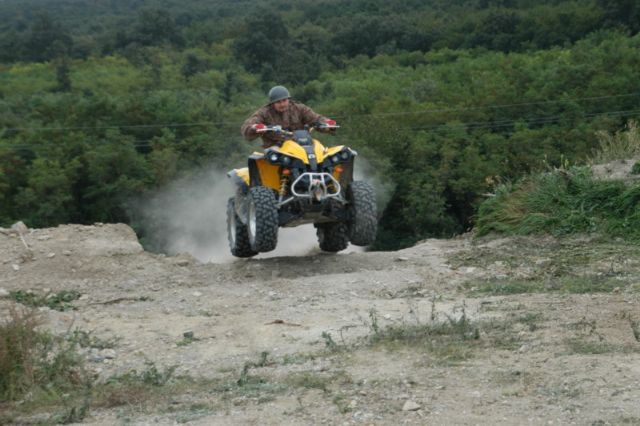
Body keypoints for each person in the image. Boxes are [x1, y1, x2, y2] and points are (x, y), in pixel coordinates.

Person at [241, 85, 334, 148]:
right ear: (272, 103)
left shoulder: (299, 108)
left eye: (284, 100)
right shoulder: (264, 113)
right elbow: (248, 125)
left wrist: (327, 123)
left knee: (320, 151)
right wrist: (254, 128)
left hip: (301, 145)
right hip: (276, 148)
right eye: (278, 102)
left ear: (288, 99)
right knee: (271, 155)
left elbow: (316, 118)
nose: (282, 104)